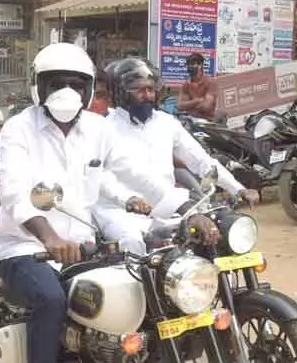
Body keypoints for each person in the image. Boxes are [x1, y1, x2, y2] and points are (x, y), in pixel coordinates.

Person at [0, 42, 218, 363]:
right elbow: (13, 191)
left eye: (75, 84)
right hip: (25, 247)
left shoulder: (98, 130)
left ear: (89, 88)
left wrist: (187, 211)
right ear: (37, 87)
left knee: (141, 289)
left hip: (82, 244)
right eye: (55, 83)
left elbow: (139, 176)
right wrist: (49, 237)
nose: (65, 92)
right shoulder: (18, 129)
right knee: (49, 299)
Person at [94, 57, 259, 255]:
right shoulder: (105, 128)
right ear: (120, 93)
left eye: (150, 89)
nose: (147, 95)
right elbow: (136, 176)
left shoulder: (166, 123)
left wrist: (237, 189)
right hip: (119, 212)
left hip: (164, 210)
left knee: (212, 239)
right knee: (133, 243)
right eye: (139, 90)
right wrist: (185, 208)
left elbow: (200, 159)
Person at [176, 52, 216, 119]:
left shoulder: (210, 82)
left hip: (207, 120)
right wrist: (197, 101)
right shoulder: (186, 84)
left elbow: (206, 107)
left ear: (200, 65)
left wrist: (189, 104)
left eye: (192, 64)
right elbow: (180, 106)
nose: (190, 67)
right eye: (188, 65)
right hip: (190, 119)